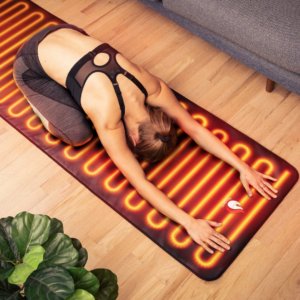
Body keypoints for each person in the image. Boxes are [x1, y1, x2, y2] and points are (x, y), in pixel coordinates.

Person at [13, 24, 278, 255]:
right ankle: (38, 99)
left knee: (84, 92)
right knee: (79, 134)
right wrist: (188, 222)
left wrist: (245, 168)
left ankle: (69, 87)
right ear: (133, 139)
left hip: (68, 31)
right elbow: (138, 181)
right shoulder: (109, 118)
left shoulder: (152, 87)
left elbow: (193, 128)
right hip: (29, 61)